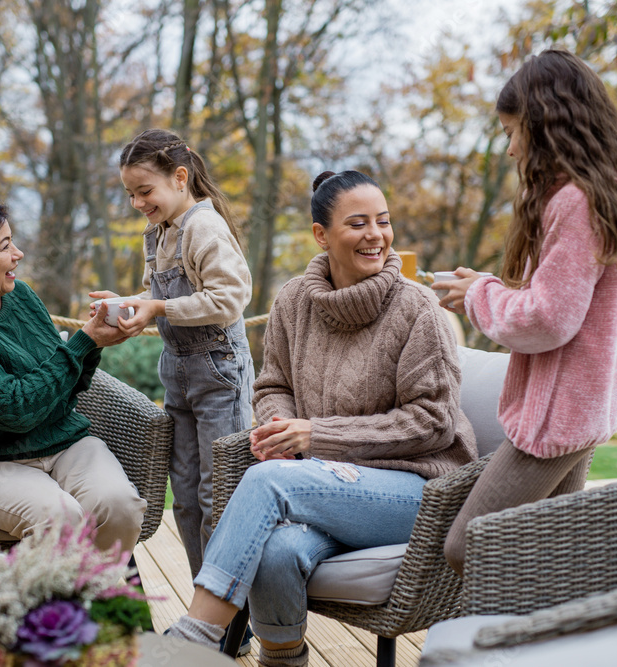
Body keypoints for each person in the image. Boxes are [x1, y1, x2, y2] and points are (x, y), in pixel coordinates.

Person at [164, 170, 477, 667]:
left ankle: (193, 639)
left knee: (268, 483)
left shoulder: (419, 310)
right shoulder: (293, 301)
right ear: (321, 234)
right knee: (277, 551)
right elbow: (273, 386)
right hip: (328, 483)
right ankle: (284, 657)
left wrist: (316, 435)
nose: (375, 234)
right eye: (358, 223)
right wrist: (279, 428)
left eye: (383, 221)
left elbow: (433, 421)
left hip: (418, 490)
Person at [436, 50, 617, 574]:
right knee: (553, 559)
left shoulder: (574, 202)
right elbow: (564, 302)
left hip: (556, 416)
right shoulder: (603, 195)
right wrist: (488, 286)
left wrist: (478, 295)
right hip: (580, 411)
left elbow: (546, 320)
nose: (512, 147)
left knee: (469, 547)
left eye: (514, 131)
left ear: (547, 126)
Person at [0, 200, 147, 554]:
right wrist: (83, 342)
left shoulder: (20, 296)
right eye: (5, 247)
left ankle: (85, 597)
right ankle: (45, 606)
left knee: (120, 506)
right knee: (60, 517)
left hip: (63, 443)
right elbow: (15, 410)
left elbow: (68, 383)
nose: (18, 254)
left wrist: (96, 339)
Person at [90, 129, 254, 581]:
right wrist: (127, 304)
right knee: (183, 495)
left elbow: (231, 298)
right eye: (130, 194)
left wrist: (157, 308)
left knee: (220, 495)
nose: (137, 202)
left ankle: (232, 616)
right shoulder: (160, 232)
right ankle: (209, 605)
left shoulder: (205, 226)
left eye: (145, 191)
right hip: (178, 377)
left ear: (180, 178)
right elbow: (160, 294)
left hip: (219, 375)